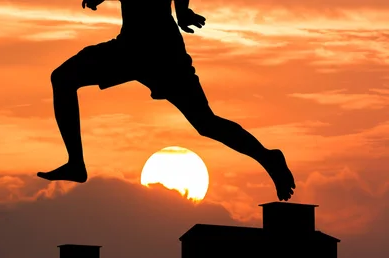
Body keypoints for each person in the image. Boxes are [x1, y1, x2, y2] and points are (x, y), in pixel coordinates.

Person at [37, 0, 296, 201]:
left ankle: (269, 158)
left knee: (205, 123)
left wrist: (182, 11)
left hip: (158, 53)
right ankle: (76, 163)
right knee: (63, 79)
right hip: (133, 50)